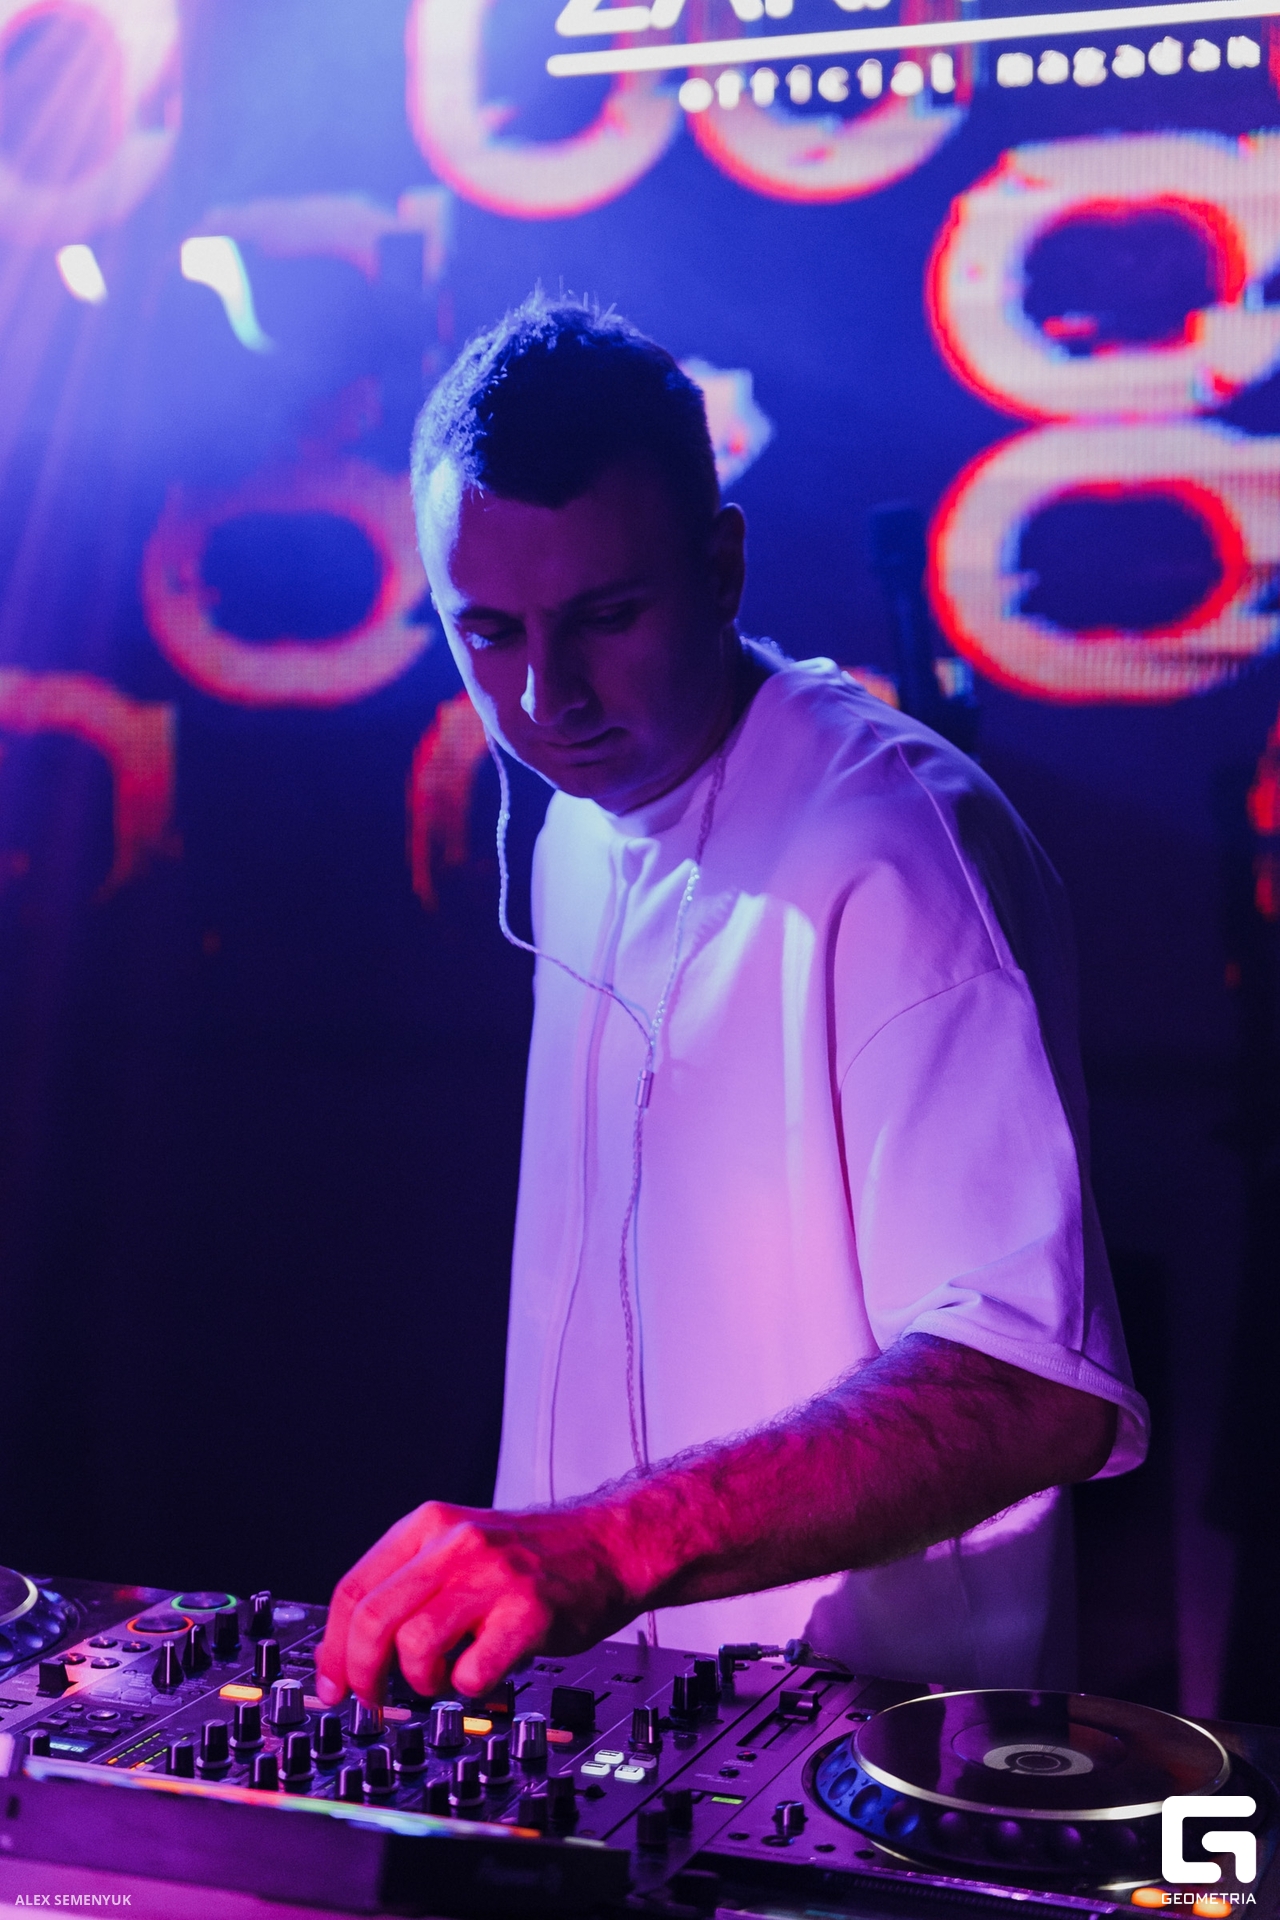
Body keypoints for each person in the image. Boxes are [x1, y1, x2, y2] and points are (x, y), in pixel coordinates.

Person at [316, 294, 1148, 1712]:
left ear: (722, 566)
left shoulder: (897, 845)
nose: (546, 697)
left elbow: (1037, 1385)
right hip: (618, 1727)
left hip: (871, 1759)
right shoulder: (576, 824)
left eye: (605, 618)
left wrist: (605, 1547)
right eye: (490, 632)